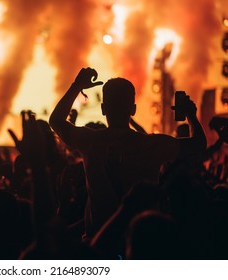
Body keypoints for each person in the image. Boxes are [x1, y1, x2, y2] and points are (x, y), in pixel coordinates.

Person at [49, 67, 207, 238]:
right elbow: (198, 144)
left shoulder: (90, 141)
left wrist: (77, 85)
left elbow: (55, 120)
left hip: (100, 241)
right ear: (133, 110)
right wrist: (191, 115)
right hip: (141, 238)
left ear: (103, 109)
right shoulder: (152, 144)